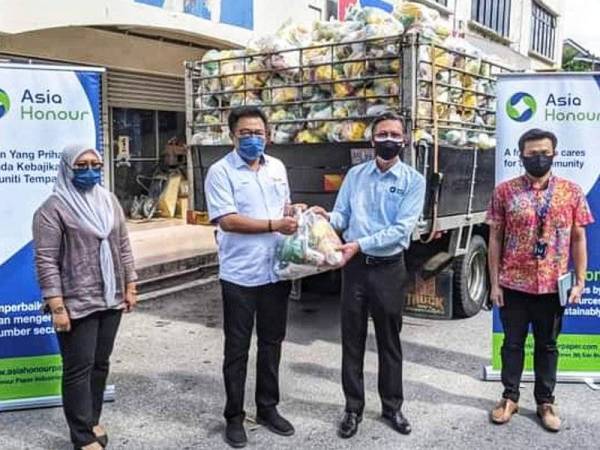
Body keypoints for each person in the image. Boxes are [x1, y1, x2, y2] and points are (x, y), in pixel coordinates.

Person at [313, 112, 426, 439]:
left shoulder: (413, 182)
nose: (389, 139)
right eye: (383, 134)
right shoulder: (356, 175)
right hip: (355, 270)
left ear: (404, 140)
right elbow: (343, 215)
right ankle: (352, 408)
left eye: (395, 134)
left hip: (388, 269)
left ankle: (392, 407)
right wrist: (325, 217)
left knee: (390, 341)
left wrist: (358, 244)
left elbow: (401, 230)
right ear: (372, 139)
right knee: (352, 339)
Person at [204, 106, 302, 448]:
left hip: (276, 270)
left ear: (268, 134)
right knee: (237, 348)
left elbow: (284, 207)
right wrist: (276, 224)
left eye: (258, 132)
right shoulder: (220, 171)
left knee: (272, 343)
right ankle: (234, 416)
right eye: (244, 133)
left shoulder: (277, 167)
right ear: (232, 136)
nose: (252, 138)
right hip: (240, 275)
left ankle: (267, 408)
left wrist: (295, 214)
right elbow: (227, 220)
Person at [487, 128, 593, 432]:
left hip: (552, 285)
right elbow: (495, 238)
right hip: (513, 284)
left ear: (555, 154)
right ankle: (509, 398)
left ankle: (545, 402)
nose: (538, 158)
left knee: (548, 346)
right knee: (512, 344)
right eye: (532, 154)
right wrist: (494, 284)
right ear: (521, 155)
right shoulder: (505, 191)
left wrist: (580, 281)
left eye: (544, 152)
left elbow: (579, 238)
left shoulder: (571, 192)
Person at [33, 145, 138, 450]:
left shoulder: (108, 201)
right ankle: (81, 436)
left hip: (111, 296)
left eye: (95, 164)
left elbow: (123, 245)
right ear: (68, 168)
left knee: (100, 364)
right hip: (76, 301)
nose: (90, 170)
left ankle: (92, 419)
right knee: (78, 368)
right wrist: (57, 306)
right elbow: (46, 261)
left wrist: (130, 286)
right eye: (82, 165)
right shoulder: (52, 209)